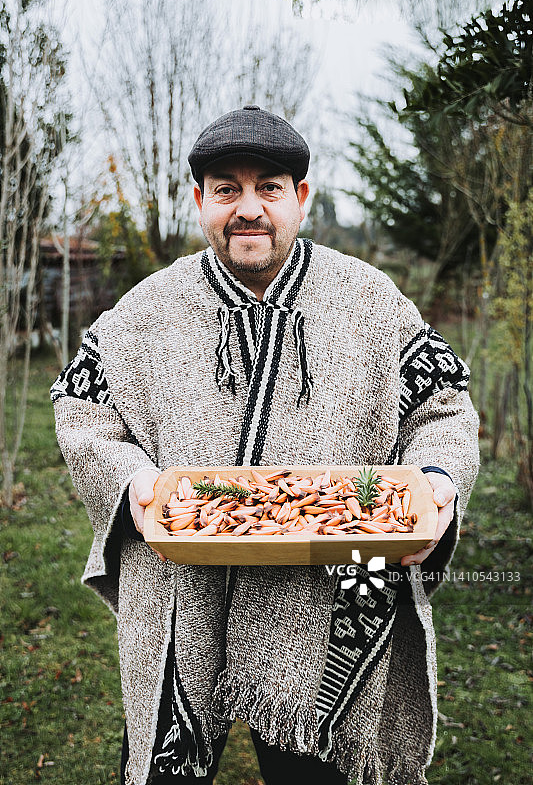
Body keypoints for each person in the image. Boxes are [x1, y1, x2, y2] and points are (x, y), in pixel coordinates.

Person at [51, 105, 479, 785]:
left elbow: (443, 408)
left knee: (321, 773)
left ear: (299, 198)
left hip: (337, 588)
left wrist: (436, 481)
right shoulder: (145, 313)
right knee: (166, 772)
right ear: (200, 201)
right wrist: (133, 482)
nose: (247, 209)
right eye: (226, 189)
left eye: (268, 188)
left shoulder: (370, 302)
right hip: (180, 588)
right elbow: (83, 408)